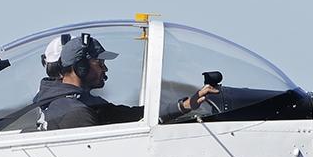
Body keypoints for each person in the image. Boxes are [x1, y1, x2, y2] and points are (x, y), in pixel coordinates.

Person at [34, 32, 218, 129]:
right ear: (81, 67)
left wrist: (185, 105)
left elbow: (130, 115)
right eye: (99, 63)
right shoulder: (76, 113)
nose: (105, 68)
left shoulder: (69, 103)